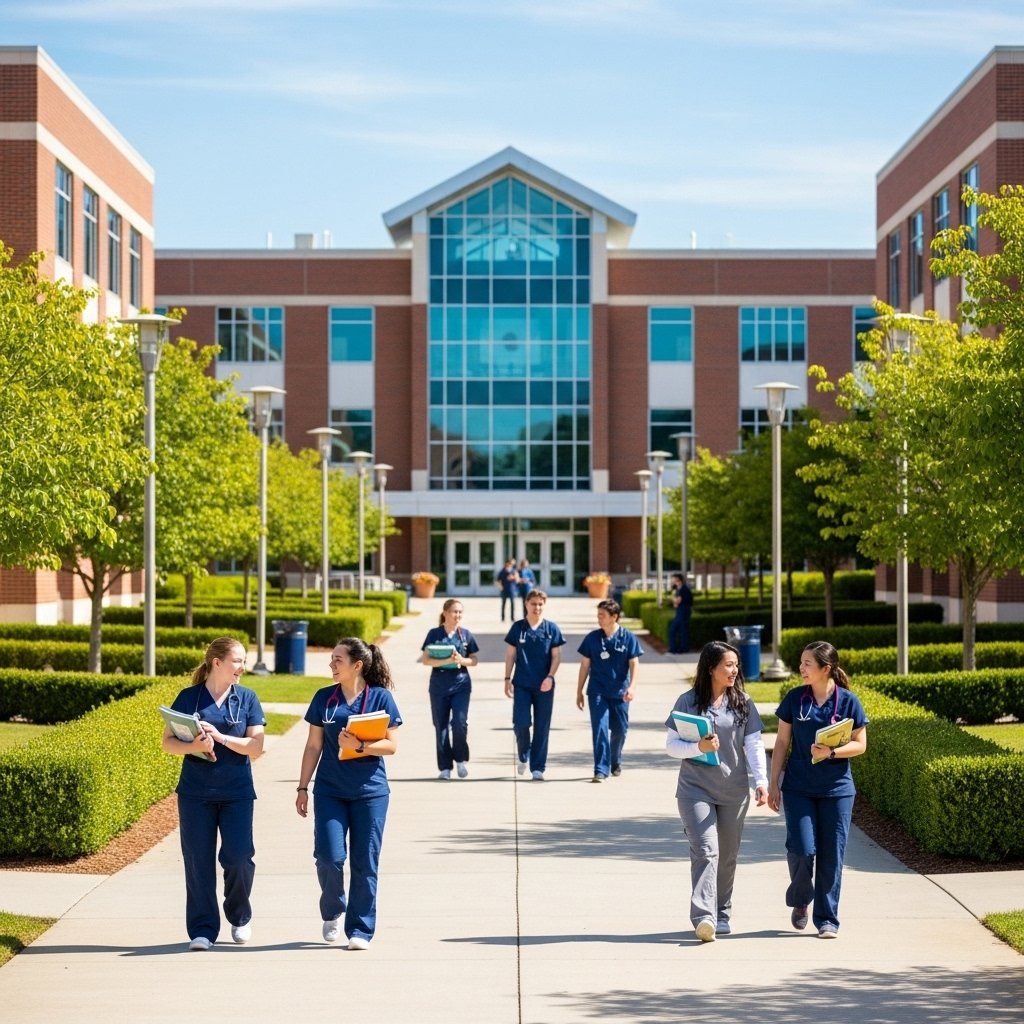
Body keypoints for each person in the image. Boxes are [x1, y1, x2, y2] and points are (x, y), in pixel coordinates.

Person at [296, 637, 402, 950]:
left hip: (370, 792)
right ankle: (332, 910)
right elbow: (313, 745)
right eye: (332, 659)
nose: (331, 664)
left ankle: (360, 930)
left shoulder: (380, 698)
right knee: (329, 858)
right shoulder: (323, 699)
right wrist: (303, 787)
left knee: (365, 862)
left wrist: (358, 746)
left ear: (357, 665)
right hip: (329, 790)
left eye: (337, 660)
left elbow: (392, 745)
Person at [161, 636, 266, 951]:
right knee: (197, 861)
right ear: (216, 662)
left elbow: (257, 746)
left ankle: (239, 915)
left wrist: (220, 738)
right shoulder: (189, 699)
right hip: (195, 793)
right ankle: (203, 930)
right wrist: (195, 745)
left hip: (236, 792)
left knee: (239, 858)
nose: (242, 668)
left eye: (244, 661)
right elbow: (168, 742)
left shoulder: (247, 699)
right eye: (237, 661)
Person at [665, 640, 768, 942]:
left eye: (736, 665)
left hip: (733, 791)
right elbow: (671, 746)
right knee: (706, 851)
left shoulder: (743, 703)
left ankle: (722, 912)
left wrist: (760, 781)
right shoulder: (687, 702)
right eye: (729, 665)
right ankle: (704, 917)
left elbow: (754, 744)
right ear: (711, 668)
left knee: (728, 856)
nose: (734, 670)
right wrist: (698, 746)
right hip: (695, 789)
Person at [768, 640, 868, 939]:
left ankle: (827, 919)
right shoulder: (795, 699)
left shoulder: (848, 701)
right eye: (801, 663)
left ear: (826, 669)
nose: (801, 669)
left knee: (831, 855)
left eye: (807, 664)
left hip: (837, 790)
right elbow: (782, 743)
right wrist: (774, 784)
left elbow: (860, 744)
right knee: (801, 849)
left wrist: (832, 753)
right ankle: (801, 901)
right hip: (799, 787)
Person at [576, 599, 642, 782]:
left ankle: (615, 760)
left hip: (620, 691)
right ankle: (600, 769)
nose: (599, 618)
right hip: (597, 691)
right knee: (600, 729)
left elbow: (634, 663)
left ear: (614, 617)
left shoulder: (628, 637)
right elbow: (584, 666)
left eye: (602, 615)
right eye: (598, 615)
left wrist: (632, 687)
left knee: (620, 730)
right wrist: (579, 691)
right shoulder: (592, 638)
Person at [503, 589, 565, 781]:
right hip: (522, 683)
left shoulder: (551, 629)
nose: (537, 607)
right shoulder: (518, 628)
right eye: (533, 604)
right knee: (521, 723)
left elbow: (556, 656)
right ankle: (523, 753)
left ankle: (538, 768)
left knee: (542, 727)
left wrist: (550, 677)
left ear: (544, 605)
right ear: (526, 604)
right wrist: (507, 679)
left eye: (540, 604)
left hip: (544, 685)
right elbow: (510, 655)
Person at [420, 598, 480, 780]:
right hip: (439, 685)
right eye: (454, 612)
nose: (457, 615)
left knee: (459, 723)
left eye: (460, 612)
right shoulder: (434, 634)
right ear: (445, 613)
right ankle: (445, 767)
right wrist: (447, 661)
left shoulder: (466, 635)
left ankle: (461, 760)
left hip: (461, 684)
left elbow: (475, 660)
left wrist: (462, 661)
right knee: (441, 726)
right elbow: (425, 660)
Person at [668, 572, 694, 654]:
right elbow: (676, 604)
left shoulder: (683, 590)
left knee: (674, 630)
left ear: (678, 580)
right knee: (682, 631)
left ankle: (676, 649)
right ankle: (680, 648)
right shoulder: (679, 590)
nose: (672, 581)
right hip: (681, 612)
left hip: (683, 612)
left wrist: (673, 599)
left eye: (673, 580)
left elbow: (678, 601)